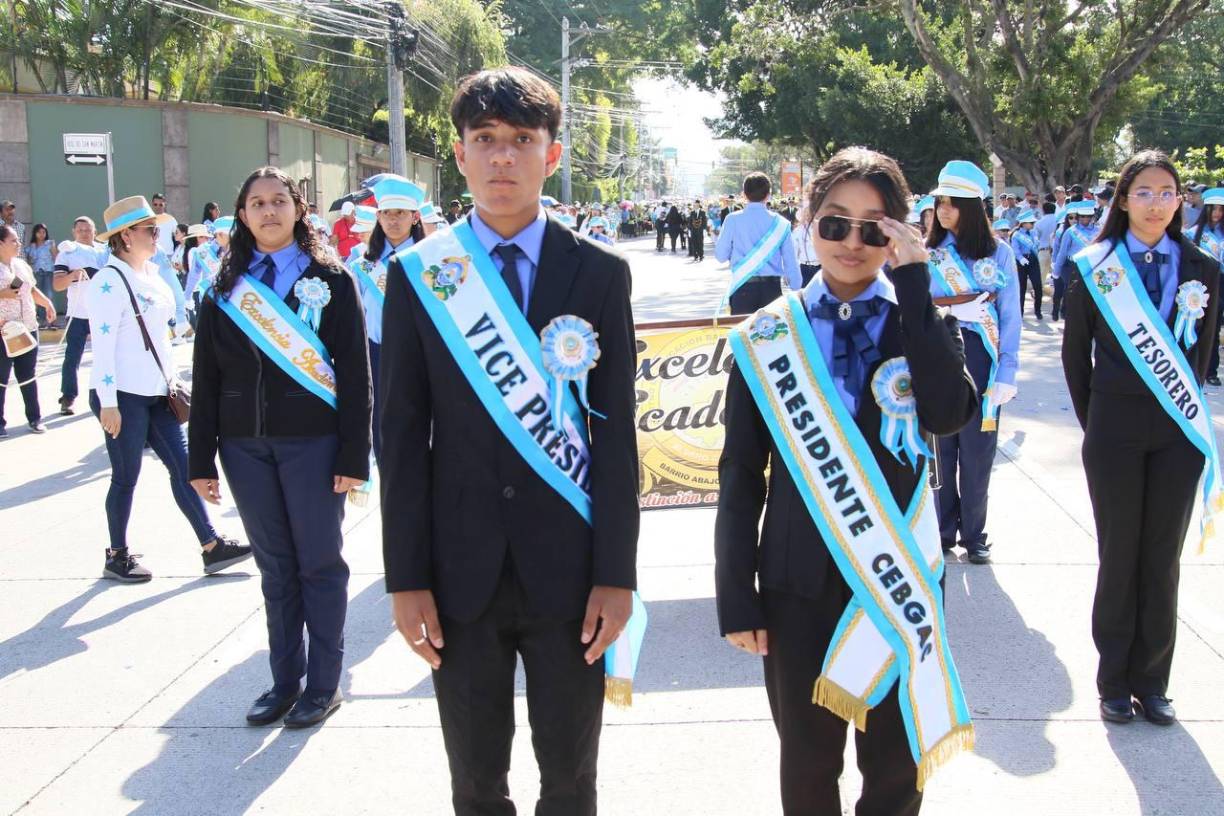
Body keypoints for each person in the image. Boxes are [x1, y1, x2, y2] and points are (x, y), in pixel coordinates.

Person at [381, 67, 640, 816]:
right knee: (474, 784)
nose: (502, 158)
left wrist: (616, 573)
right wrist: (406, 578)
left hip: (572, 573)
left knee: (570, 780)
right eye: (484, 140)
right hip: (458, 577)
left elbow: (615, 433)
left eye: (521, 141)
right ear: (458, 156)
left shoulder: (600, 273)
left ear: (551, 156)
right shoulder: (420, 276)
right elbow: (399, 437)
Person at [716, 146, 978, 815]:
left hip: (898, 579)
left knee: (896, 764)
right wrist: (735, 593)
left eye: (873, 227)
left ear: (897, 232)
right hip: (794, 582)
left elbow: (950, 416)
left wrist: (915, 282)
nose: (851, 243)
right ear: (807, 223)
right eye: (835, 223)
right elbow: (742, 471)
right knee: (807, 765)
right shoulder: (768, 337)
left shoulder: (919, 322)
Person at [189, 167, 372, 728]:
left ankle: (324, 685)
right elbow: (207, 380)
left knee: (319, 563)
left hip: (314, 445)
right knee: (276, 569)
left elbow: (356, 373)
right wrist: (200, 462)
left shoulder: (333, 280)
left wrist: (352, 455)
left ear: (298, 208)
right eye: (256, 203)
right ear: (241, 216)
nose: (268, 211)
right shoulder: (224, 289)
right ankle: (284, 682)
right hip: (243, 448)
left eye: (278, 201)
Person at [1062, 150, 1220, 727]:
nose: (1157, 203)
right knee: (1119, 552)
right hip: (1114, 429)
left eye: (1167, 192)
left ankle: (1152, 682)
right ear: (1124, 199)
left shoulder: (1202, 266)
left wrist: (1181, 412)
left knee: (1162, 558)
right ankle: (1112, 682)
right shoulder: (1093, 264)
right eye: (1145, 191)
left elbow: (1202, 356)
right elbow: (1076, 358)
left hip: (1178, 431)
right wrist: (1100, 420)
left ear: (1181, 201)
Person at [81, 197, 248, 581]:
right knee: (126, 475)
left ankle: (211, 545)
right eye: (150, 230)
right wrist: (108, 404)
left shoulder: (153, 275)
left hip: (157, 392)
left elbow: (161, 336)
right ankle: (117, 555)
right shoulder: (109, 281)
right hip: (121, 394)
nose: (159, 237)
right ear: (125, 236)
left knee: (185, 468)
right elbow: (102, 348)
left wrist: (172, 380)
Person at [926, 160, 1021, 564]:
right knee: (942, 451)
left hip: (983, 360)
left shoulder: (1000, 254)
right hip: (940, 359)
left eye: (952, 202)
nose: (943, 210)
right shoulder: (930, 253)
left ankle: (975, 533)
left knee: (978, 452)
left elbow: (1011, 315)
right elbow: (912, 308)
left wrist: (1008, 371)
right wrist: (948, 311)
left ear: (972, 206)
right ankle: (943, 530)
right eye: (940, 202)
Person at [350, 174, 423, 466]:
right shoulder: (362, 264)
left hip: (419, 356)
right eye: (387, 214)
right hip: (375, 355)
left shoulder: (429, 261)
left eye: (401, 213)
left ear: (415, 217)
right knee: (380, 432)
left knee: (419, 431)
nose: (394, 220)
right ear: (378, 217)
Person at [715, 172, 802, 314]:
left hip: (742, 288)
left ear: (744, 194)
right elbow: (791, 262)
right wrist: (796, 288)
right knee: (773, 335)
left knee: (742, 335)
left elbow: (720, 256)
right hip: (772, 291)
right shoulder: (781, 224)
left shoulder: (732, 220)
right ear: (769, 195)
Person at [0, 224, 56, 436]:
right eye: (13, 240)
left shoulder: (21, 265)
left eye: (18, 240)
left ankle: (34, 418)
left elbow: (31, 289)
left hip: (28, 327)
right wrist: (3, 294)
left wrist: (47, 303)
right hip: (4, 331)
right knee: (1, 378)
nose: (18, 244)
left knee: (28, 376)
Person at [54, 216, 109, 416]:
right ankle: (68, 397)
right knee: (72, 357)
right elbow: (57, 284)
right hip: (77, 313)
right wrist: (73, 276)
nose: (85, 233)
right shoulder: (68, 252)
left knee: (107, 355)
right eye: (80, 230)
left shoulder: (105, 251)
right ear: (74, 232)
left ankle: (107, 395)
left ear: (95, 231)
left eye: (88, 230)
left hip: (103, 313)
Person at [1185, 189, 1224, 385]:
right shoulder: (1193, 234)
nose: (1217, 213)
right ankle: (1191, 365)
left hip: (1222, 284)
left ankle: (1211, 371)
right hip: (1198, 285)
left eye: (1220, 209)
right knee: (1194, 325)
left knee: (1214, 329)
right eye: (1213, 209)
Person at [1051, 201, 1100, 321]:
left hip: (1092, 266)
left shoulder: (1099, 231)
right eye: (1082, 216)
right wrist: (1056, 271)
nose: (1085, 219)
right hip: (1073, 267)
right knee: (1073, 293)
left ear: (1092, 216)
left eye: (1088, 216)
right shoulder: (1071, 231)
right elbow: (1062, 252)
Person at [1011, 209, 1043, 319]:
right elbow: (1015, 250)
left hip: (1033, 259)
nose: (1033, 224)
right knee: (1021, 287)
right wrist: (1020, 258)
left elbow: (1036, 245)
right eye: (1031, 223)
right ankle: (1020, 311)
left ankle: (1038, 310)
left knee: (1038, 286)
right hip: (1021, 261)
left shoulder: (1034, 232)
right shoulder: (1016, 234)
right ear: (1024, 223)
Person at [22, 223, 57, 327]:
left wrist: (58, 271)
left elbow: (55, 256)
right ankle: (42, 320)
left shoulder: (50, 243)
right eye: (39, 232)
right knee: (38, 296)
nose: (42, 234)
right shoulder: (31, 247)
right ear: (35, 233)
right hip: (37, 272)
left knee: (48, 295)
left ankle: (51, 321)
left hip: (48, 271)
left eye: (43, 232)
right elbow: (29, 260)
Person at [150, 193, 177, 258]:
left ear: (165, 204)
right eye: (155, 204)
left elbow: (177, 235)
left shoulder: (171, 219)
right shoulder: (147, 219)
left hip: (167, 254)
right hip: (151, 254)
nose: (158, 207)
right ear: (152, 204)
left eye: (160, 205)